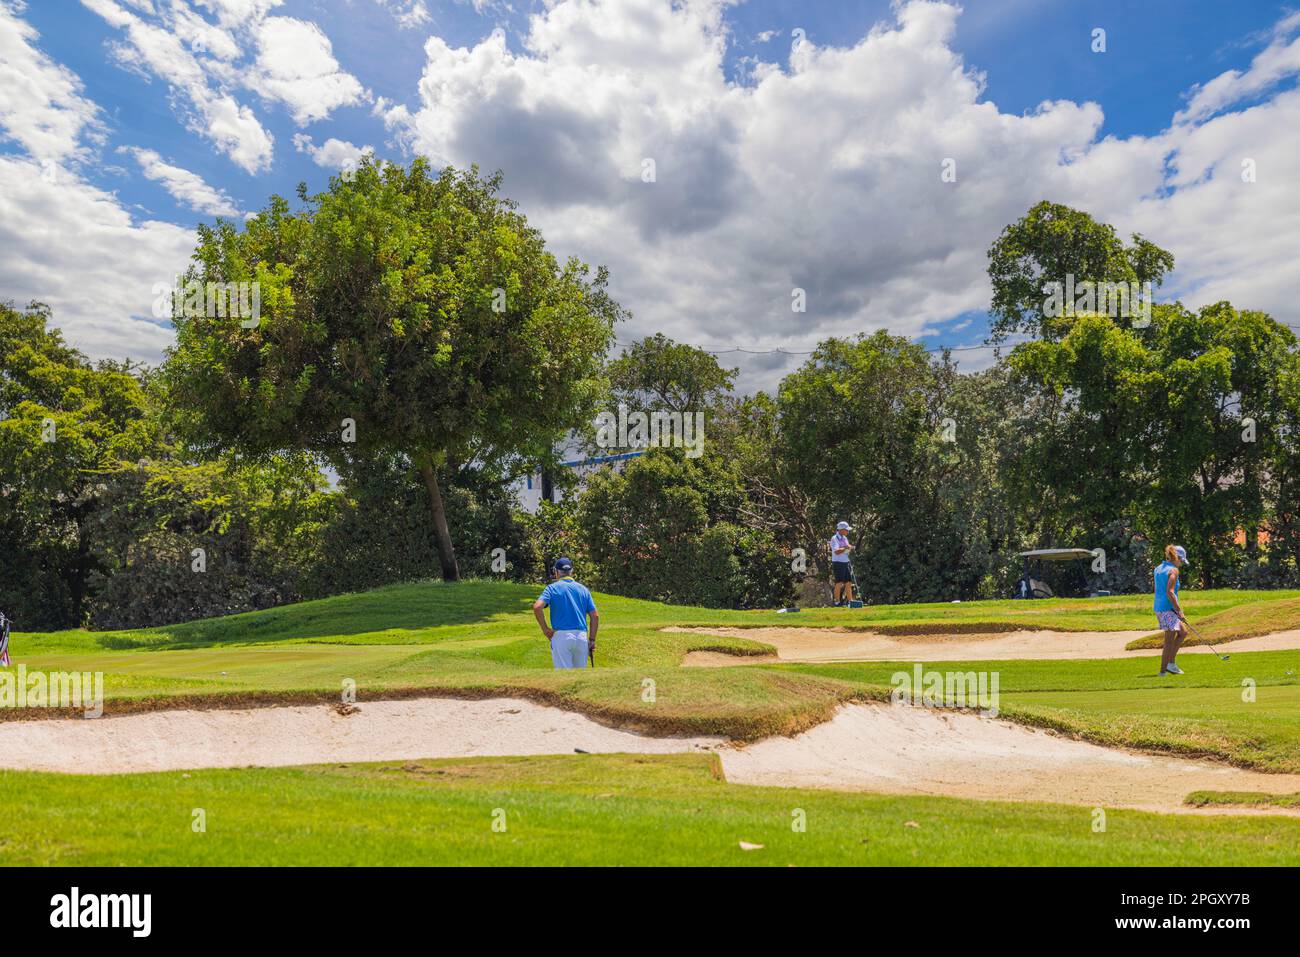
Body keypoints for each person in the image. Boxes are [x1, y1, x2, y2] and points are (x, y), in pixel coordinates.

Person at [533, 557, 599, 669]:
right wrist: (592, 640)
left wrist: (545, 630)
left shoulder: (552, 588)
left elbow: (537, 607)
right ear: (571, 571)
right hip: (581, 637)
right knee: (579, 678)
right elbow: (595, 616)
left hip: (561, 637)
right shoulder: (583, 589)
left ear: (556, 572)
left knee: (564, 677)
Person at [1154, 544, 1188, 675]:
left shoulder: (1158, 568)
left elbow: (1157, 590)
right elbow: (1170, 592)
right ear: (1177, 558)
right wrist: (1179, 610)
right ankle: (1162, 672)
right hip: (1168, 608)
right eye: (1181, 561)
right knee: (1169, 640)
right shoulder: (1173, 570)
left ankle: (1171, 664)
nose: (1181, 564)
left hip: (1160, 607)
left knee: (1183, 633)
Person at [828, 521, 855, 606]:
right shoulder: (834, 538)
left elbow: (845, 551)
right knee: (839, 582)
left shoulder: (844, 538)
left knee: (848, 582)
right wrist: (846, 547)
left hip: (846, 562)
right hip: (838, 563)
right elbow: (836, 551)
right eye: (846, 530)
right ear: (841, 530)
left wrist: (850, 548)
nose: (848, 531)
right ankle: (837, 602)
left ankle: (851, 602)